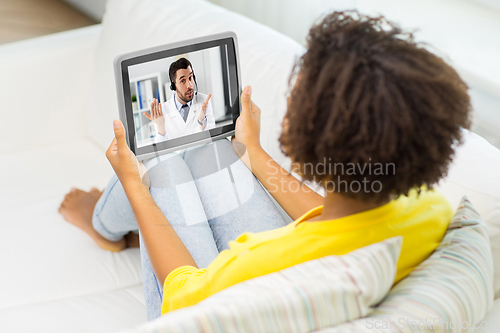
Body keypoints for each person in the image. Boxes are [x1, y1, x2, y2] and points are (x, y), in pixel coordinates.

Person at [59, 11, 471, 320]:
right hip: (305, 258)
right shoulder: (429, 209)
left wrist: (134, 186)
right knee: (213, 152)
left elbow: (183, 297)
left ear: (310, 142)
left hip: (205, 307)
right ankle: (121, 223)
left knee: (163, 169)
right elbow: (338, 216)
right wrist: (253, 151)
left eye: (298, 96)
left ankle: (104, 225)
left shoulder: (259, 261)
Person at [145, 57, 216, 142]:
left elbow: (212, 141)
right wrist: (161, 127)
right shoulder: (164, 110)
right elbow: (162, 151)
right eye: (183, 81)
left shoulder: (204, 102)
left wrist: (202, 121)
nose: (189, 85)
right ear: (174, 86)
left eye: (190, 77)